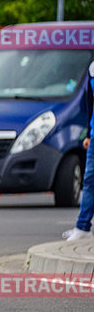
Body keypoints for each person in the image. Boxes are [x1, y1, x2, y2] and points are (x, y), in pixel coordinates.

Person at [63, 61, 94, 241]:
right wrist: (88, 134)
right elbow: (90, 102)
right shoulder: (92, 68)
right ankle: (83, 227)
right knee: (89, 180)